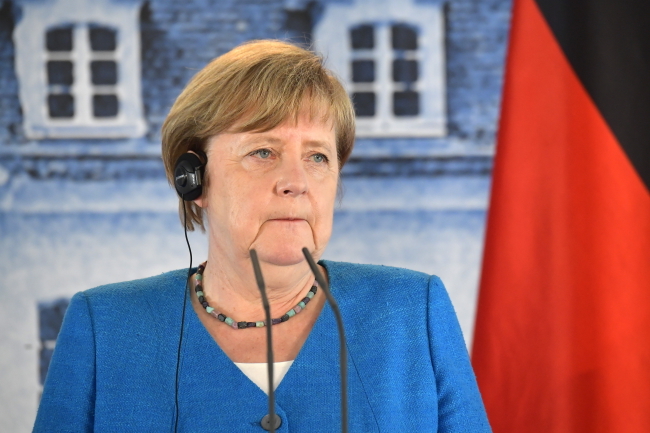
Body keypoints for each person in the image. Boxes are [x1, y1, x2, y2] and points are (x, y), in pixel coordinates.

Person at [33, 40, 491, 432]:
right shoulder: (103, 327)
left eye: (317, 156)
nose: (296, 182)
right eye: (263, 152)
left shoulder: (413, 311)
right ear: (194, 179)